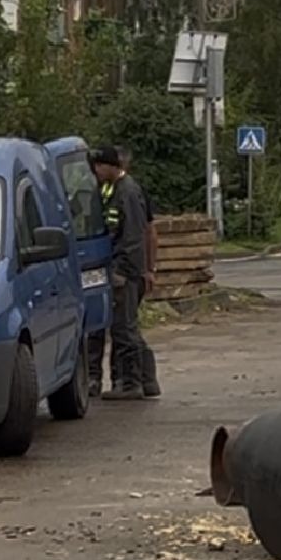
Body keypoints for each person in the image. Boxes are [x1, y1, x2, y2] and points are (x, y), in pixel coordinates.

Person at [93, 146, 159, 400]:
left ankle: (131, 383)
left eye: (99, 166)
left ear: (109, 166)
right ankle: (146, 380)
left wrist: (123, 271)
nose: (96, 171)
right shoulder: (115, 189)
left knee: (124, 328)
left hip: (126, 272)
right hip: (125, 269)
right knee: (126, 326)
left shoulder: (128, 192)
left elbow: (133, 236)